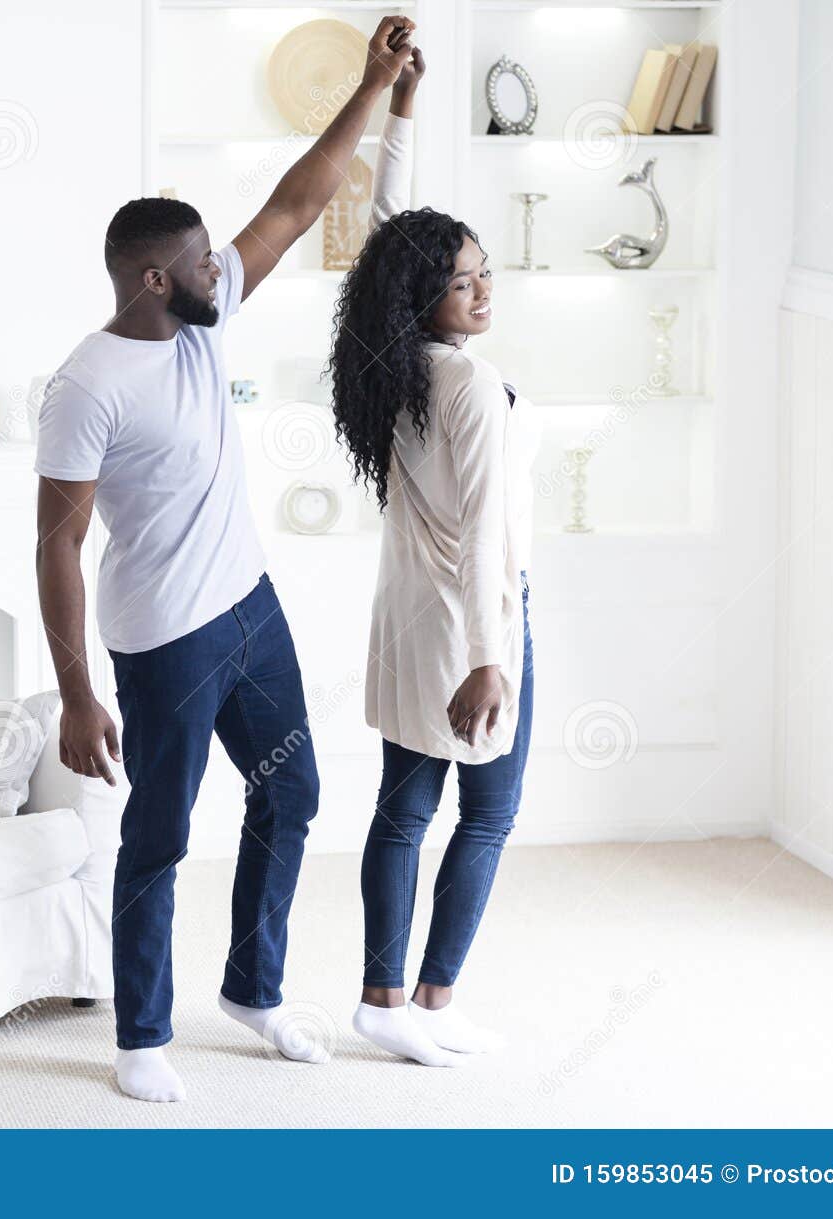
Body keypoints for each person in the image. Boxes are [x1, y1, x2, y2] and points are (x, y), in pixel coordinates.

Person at [33, 16, 418, 1103]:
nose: (224, 263)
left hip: (249, 609)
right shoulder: (88, 386)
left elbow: (298, 201)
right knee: (158, 836)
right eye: (204, 258)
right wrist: (74, 692)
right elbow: (56, 541)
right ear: (154, 279)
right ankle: (141, 1036)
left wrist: (375, 82)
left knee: (291, 794)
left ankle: (253, 987)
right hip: (162, 642)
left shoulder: (202, 321)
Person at [328, 42, 541, 1066]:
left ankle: (381, 999)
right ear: (426, 299)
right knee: (488, 814)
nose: (481, 291)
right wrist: (491, 657)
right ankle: (432, 997)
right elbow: (492, 532)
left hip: (408, 609)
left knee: (404, 809)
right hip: (475, 615)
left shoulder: (390, 358)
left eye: (485, 272)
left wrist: (402, 113)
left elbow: (383, 243)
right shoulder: (463, 384)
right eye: (461, 283)